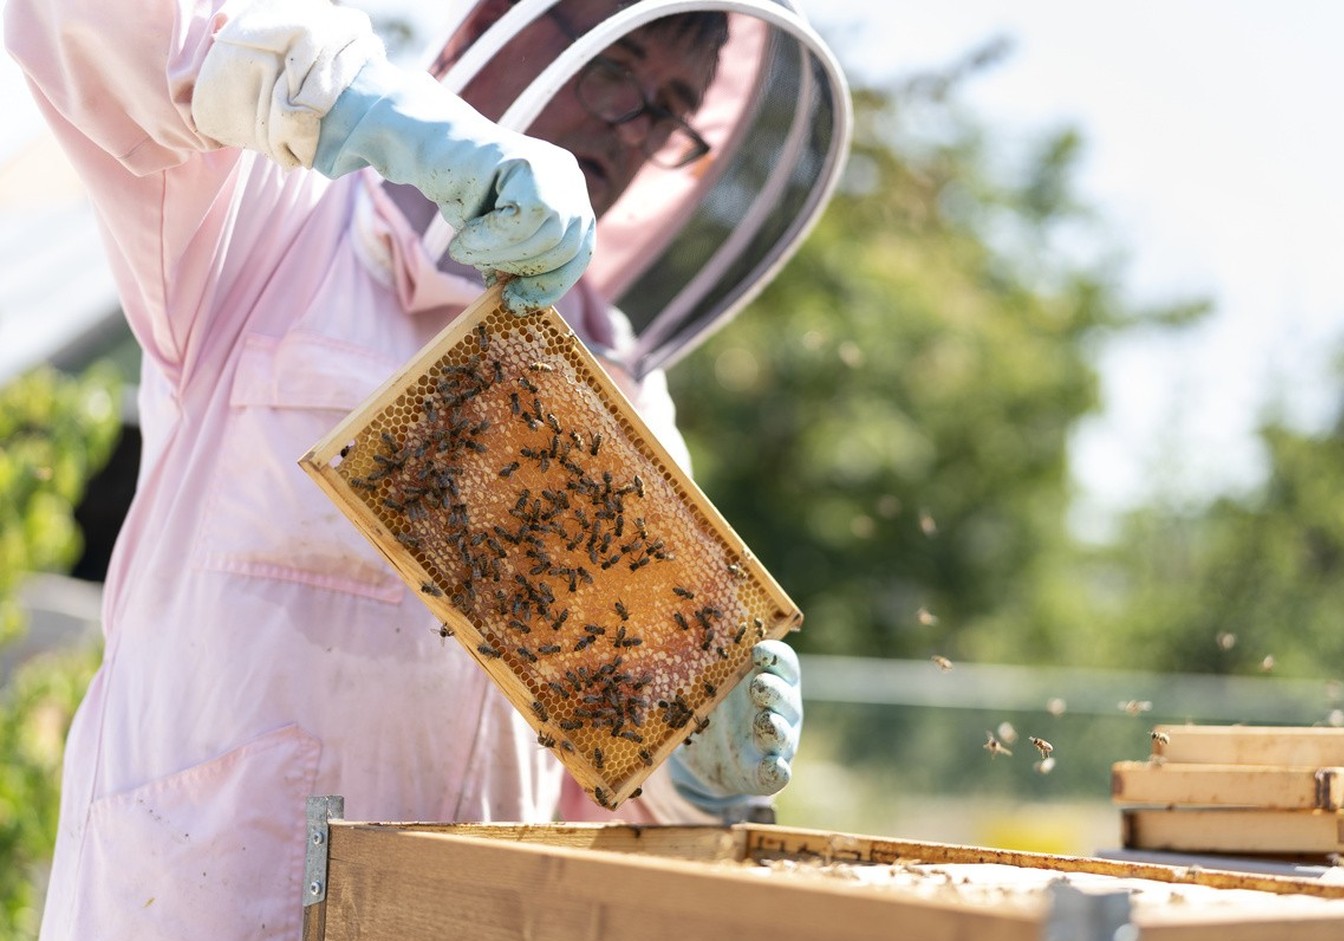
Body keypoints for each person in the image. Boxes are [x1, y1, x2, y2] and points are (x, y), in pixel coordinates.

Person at [3, 0, 850, 936]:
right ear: (482, 28)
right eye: (617, 65)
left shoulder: (619, 396)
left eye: (672, 111)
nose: (636, 127)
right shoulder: (269, 226)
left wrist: (692, 772)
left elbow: (606, 796)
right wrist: (375, 113)